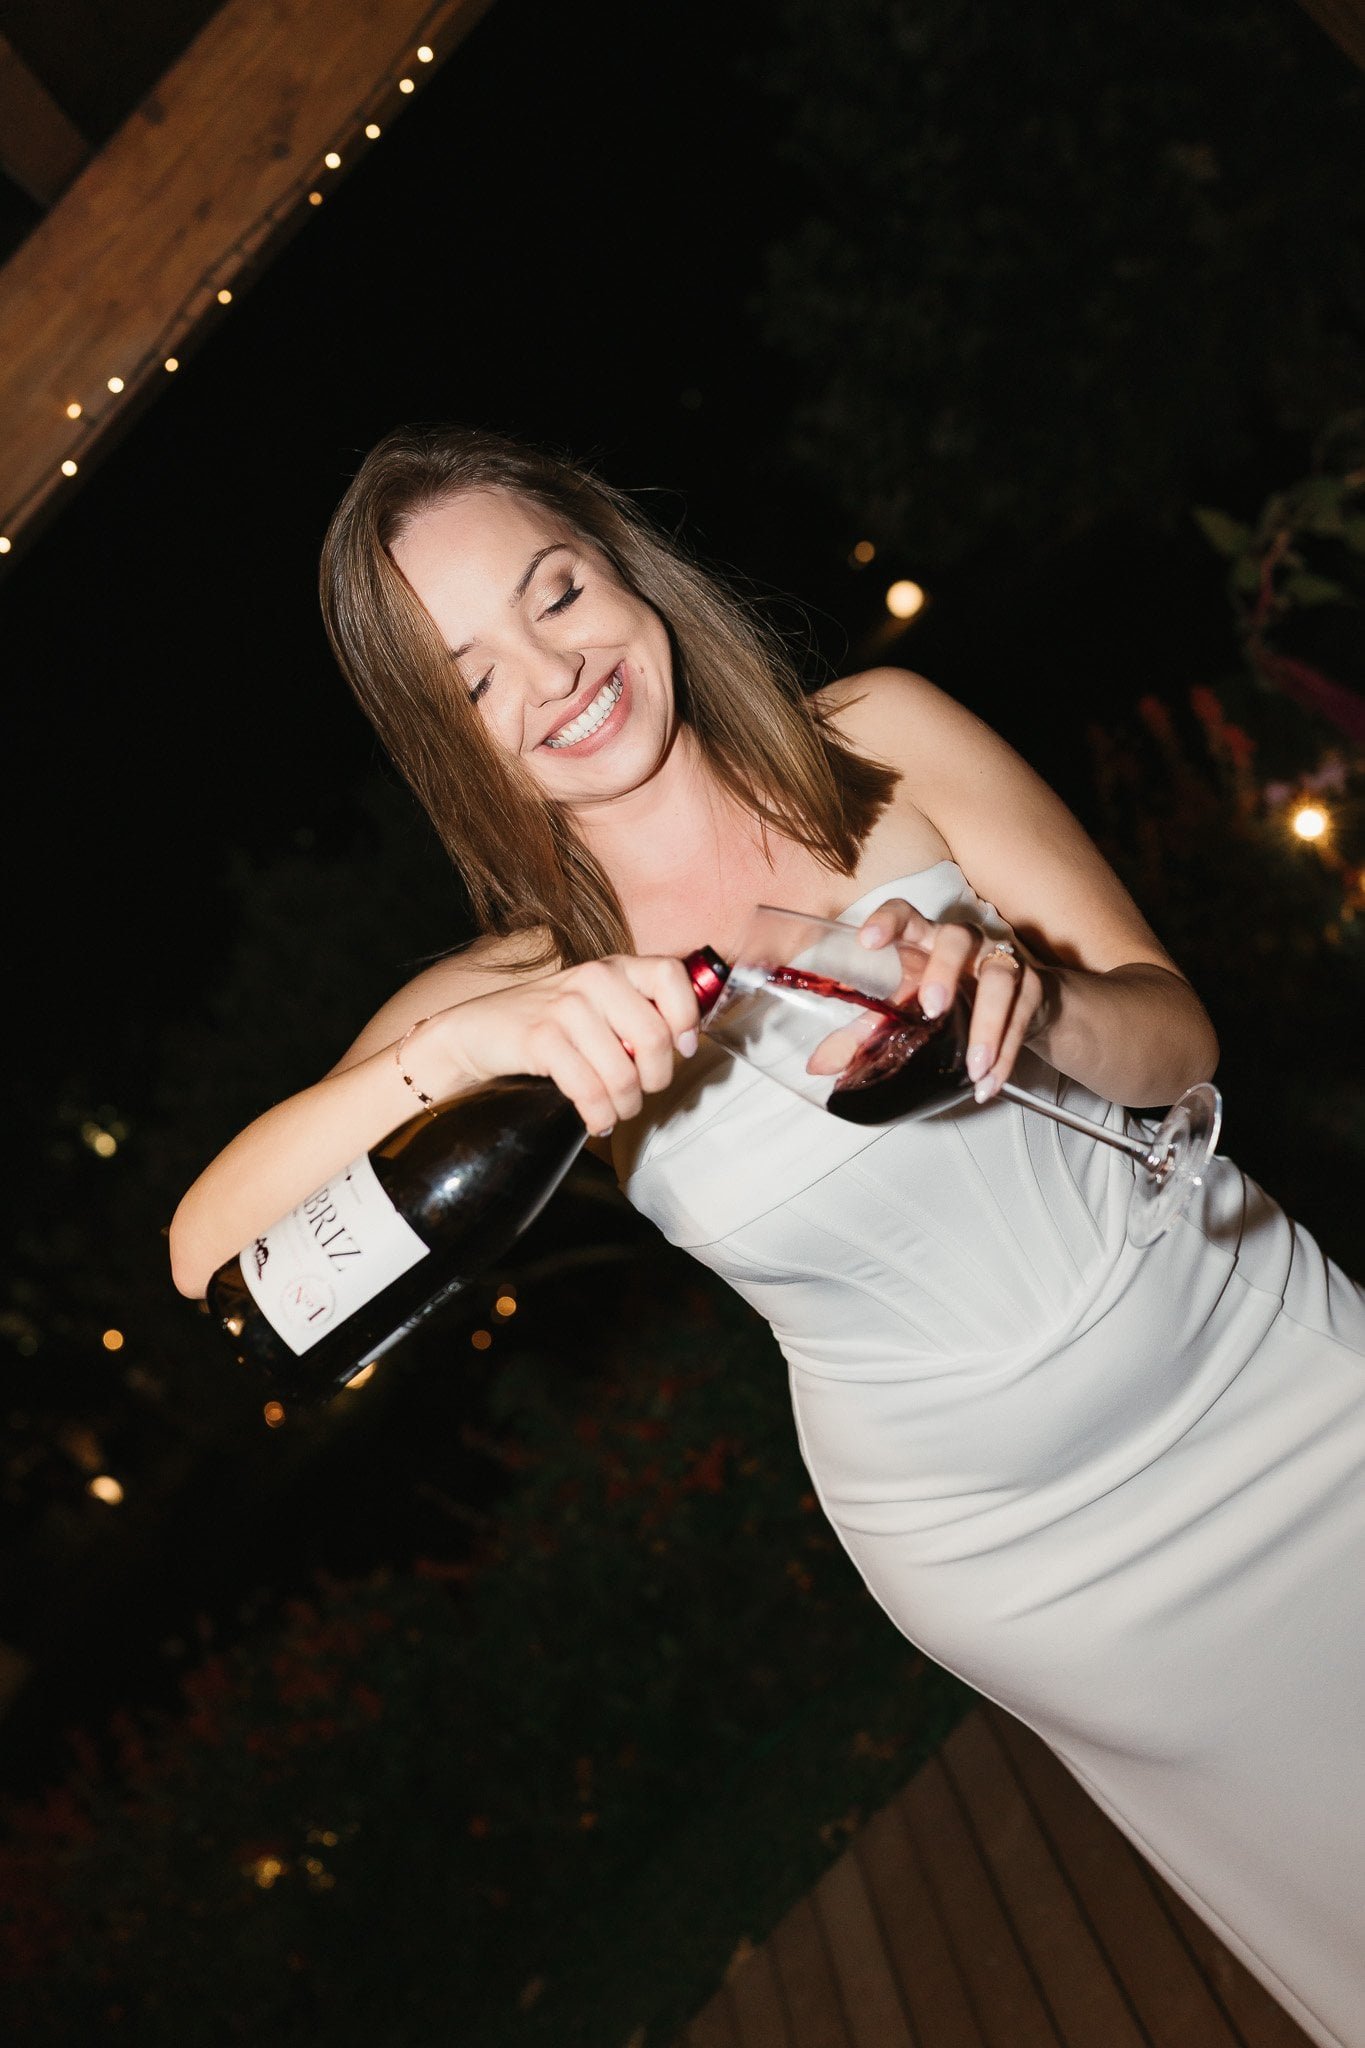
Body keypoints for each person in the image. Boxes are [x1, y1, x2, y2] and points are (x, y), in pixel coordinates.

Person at [170, 425, 1365, 2048]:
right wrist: (450, 1061)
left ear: (626, 569)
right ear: (448, 741)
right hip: (1030, 1568)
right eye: (473, 676)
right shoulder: (514, 998)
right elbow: (206, 1257)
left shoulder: (879, 737)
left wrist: (1043, 1004)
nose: (555, 671)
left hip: (1266, 1369)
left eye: (558, 590)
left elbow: (1179, 1040)